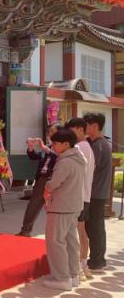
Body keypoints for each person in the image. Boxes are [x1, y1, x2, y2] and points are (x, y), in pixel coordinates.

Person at [42, 128, 86, 291]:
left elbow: (54, 183)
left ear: (66, 144)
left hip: (61, 206)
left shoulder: (65, 161)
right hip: (73, 205)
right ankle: (73, 275)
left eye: (55, 143)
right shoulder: (78, 158)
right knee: (71, 242)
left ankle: (61, 278)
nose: (53, 146)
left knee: (56, 242)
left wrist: (46, 186)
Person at [66, 117, 95, 281]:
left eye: (72, 130)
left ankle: (77, 269)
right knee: (82, 233)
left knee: (73, 234)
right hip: (86, 195)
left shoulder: (78, 148)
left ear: (79, 129)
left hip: (77, 196)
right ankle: (84, 266)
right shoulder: (88, 147)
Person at [17, 124, 59, 237]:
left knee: (54, 209)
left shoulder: (62, 146)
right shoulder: (49, 146)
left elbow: (57, 157)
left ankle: (55, 235)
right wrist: (30, 148)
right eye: (49, 132)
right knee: (34, 204)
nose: (50, 134)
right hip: (42, 178)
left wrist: (44, 148)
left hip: (53, 179)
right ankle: (25, 230)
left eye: (53, 131)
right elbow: (36, 157)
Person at [84, 112, 112, 272]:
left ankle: (97, 260)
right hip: (95, 193)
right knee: (94, 226)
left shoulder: (99, 146)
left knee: (95, 227)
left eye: (86, 125)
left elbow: (90, 169)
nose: (84, 128)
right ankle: (97, 259)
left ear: (94, 126)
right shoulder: (95, 143)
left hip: (96, 193)